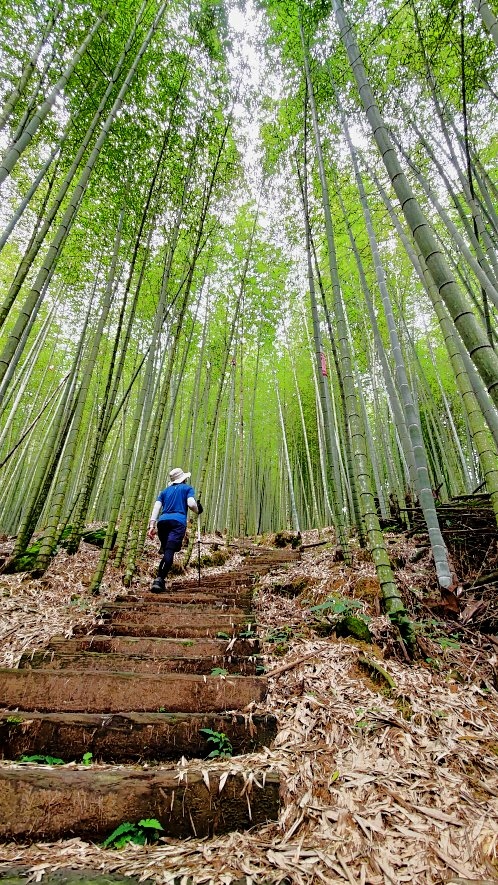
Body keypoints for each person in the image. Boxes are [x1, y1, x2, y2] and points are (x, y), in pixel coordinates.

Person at [147, 467, 203, 593]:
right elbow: (191, 504)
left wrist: (151, 526)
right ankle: (159, 580)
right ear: (183, 479)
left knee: (167, 550)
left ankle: (163, 551)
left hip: (162, 522)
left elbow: (156, 507)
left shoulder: (164, 491)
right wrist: (198, 510)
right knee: (169, 554)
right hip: (177, 523)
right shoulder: (187, 488)